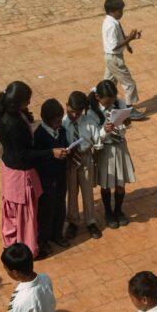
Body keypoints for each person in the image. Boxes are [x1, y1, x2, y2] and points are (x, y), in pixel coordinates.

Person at [0, 81, 68, 257]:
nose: (29, 104)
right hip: (20, 173)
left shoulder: (9, 114)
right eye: (27, 101)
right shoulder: (13, 122)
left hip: (12, 170)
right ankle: (29, 248)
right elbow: (23, 154)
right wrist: (51, 152)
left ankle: (16, 242)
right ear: (18, 102)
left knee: (15, 213)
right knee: (25, 214)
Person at [88, 80, 136, 228]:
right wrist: (104, 131)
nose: (111, 102)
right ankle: (108, 212)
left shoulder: (119, 104)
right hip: (105, 149)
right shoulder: (92, 112)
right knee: (106, 183)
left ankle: (118, 211)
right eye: (108, 100)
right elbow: (93, 137)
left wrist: (126, 122)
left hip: (120, 146)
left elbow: (124, 124)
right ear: (98, 97)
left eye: (113, 99)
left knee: (120, 183)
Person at [32, 98, 71, 257]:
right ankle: (43, 240)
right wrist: (52, 156)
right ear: (47, 120)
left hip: (60, 175)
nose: (60, 122)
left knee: (60, 204)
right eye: (57, 120)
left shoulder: (61, 131)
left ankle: (58, 234)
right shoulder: (39, 135)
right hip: (46, 178)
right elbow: (37, 158)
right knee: (46, 209)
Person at [63, 91, 103, 241]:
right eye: (72, 111)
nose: (74, 115)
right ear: (66, 106)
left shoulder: (89, 122)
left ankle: (90, 221)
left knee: (88, 192)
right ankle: (73, 221)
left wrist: (94, 162)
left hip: (86, 158)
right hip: (70, 161)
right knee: (72, 192)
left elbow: (98, 144)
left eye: (78, 113)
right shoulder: (63, 123)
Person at [101, 0, 144, 120]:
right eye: (120, 11)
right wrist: (129, 38)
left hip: (111, 58)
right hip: (114, 58)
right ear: (113, 11)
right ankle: (129, 110)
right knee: (129, 84)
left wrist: (131, 38)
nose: (122, 13)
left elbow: (118, 38)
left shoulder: (110, 21)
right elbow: (114, 46)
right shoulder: (111, 25)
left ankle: (99, 104)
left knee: (108, 83)